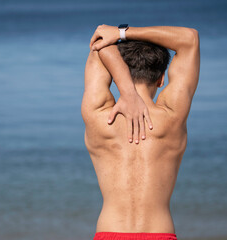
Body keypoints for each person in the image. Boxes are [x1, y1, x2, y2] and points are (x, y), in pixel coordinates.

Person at [81, 25, 200, 240]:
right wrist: (122, 32)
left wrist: (126, 90)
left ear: (111, 72)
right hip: (160, 233)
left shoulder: (98, 115)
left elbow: (99, 44)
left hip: (109, 233)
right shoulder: (172, 116)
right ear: (161, 79)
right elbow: (189, 38)